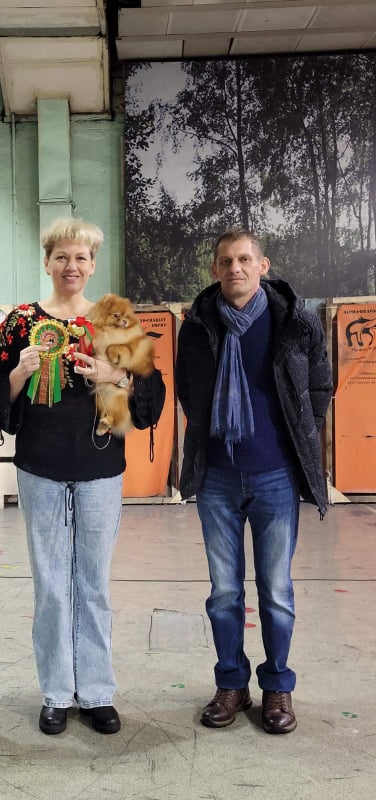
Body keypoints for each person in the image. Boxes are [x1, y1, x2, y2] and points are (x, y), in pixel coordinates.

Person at [0, 218, 165, 736]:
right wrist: (19, 372)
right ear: (47, 262)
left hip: (100, 467)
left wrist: (116, 375)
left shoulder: (116, 319)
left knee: (93, 584)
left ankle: (97, 691)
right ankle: (56, 693)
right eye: (62, 257)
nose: (71, 266)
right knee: (51, 585)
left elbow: (151, 394)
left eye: (81, 257)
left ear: (92, 264)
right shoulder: (20, 322)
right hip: (40, 467)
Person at [175, 227, 332, 734]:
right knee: (224, 592)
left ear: (262, 266)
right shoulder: (198, 325)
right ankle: (231, 684)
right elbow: (187, 389)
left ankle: (278, 686)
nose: (235, 268)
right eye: (225, 261)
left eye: (244, 259)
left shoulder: (296, 321)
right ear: (215, 269)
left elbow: (319, 385)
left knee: (276, 590)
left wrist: (301, 429)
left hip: (276, 477)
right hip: (217, 479)